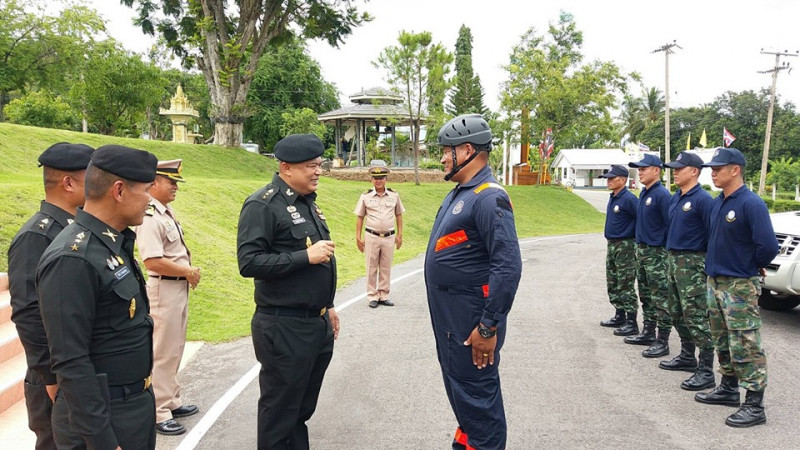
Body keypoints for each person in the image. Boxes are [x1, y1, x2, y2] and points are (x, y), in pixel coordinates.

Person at [37, 144, 158, 450]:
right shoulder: (74, 258)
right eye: (146, 190)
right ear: (119, 190)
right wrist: (102, 441)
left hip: (133, 407)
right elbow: (70, 359)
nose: (150, 199)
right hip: (103, 421)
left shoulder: (111, 245)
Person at [424, 114, 522, 450]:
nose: (441, 158)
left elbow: (507, 267)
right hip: (452, 320)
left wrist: (488, 327)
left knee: (478, 400)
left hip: (471, 324)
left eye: (446, 150)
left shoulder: (488, 196)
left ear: (466, 150)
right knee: (464, 396)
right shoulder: (461, 193)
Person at [237, 134, 340, 449]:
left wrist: (330, 305)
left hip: (315, 323)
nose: (318, 171)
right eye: (310, 166)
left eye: (319, 165)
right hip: (284, 326)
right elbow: (249, 262)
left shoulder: (307, 203)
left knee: (299, 411)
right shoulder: (263, 205)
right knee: (280, 414)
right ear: (285, 167)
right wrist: (304, 257)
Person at [8, 142, 93, 450]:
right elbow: (29, 313)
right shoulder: (38, 235)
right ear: (68, 183)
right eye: (92, 176)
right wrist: (50, 378)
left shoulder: (78, 229)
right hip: (55, 377)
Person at [694, 148, 779, 428]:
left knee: (745, 342)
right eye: (712, 169)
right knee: (722, 339)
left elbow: (768, 246)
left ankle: (755, 404)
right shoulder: (719, 201)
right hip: (715, 281)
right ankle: (728, 388)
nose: (713, 173)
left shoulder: (750, 203)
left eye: (719, 168)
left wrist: (748, 266)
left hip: (739, 284)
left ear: (736, 170)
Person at [135, 159, 200, 435]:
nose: (175, 186)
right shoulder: (150, 216)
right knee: (162, 351)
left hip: (177, 287)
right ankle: (159, 411)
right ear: (153, 183)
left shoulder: (166, 212)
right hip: (164, 287)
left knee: (175, 347)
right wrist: (186, 270)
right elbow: (152, 260)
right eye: (170, 181)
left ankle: (171, 400)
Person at [660, 152, 715, 390]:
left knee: (697, 317)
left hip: (693, 264)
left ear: (694, 171)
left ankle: (706, 370)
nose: (675, 172)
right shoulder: (677, 197)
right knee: (676, 311)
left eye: (679, 168)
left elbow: (714, 234)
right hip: (673, 261)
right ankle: (686, 355)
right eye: (674, 168)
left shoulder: (703, 200)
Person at [623, 154, 673, 358]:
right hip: (642, 251)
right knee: (646, 295)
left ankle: (663, 340)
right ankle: (648, 331)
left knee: (660, 297)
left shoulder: (662, 195)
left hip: (657, 253)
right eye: (639, 169)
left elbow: (670, 225)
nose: (640, 172)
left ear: (656, 170)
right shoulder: (645, 193)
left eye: (644, 168)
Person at [354, 162, 405, 308]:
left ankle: (384, 294)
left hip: (389, 236)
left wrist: (400, 235)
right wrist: (358, 237)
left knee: (386, 266)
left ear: (386, 179)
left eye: (381, 177)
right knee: (371, 266)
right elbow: (360, 217)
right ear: (371, 179)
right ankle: (372, 296)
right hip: (371, 235)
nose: (379, 181)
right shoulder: (366, 196)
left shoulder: (394, 196)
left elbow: (399, 215)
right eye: (376, 178)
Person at [598, 165, 639, 336]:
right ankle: (619, 314)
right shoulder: (614, 197)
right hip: (613, 244)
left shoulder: (629, 199)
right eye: (607, 178)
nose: (608, 181)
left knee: (625, 282)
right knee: (613, 280)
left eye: (612, 178)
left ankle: (631, 321)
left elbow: (641, 219)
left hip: (626, 245)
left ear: (623, 180)